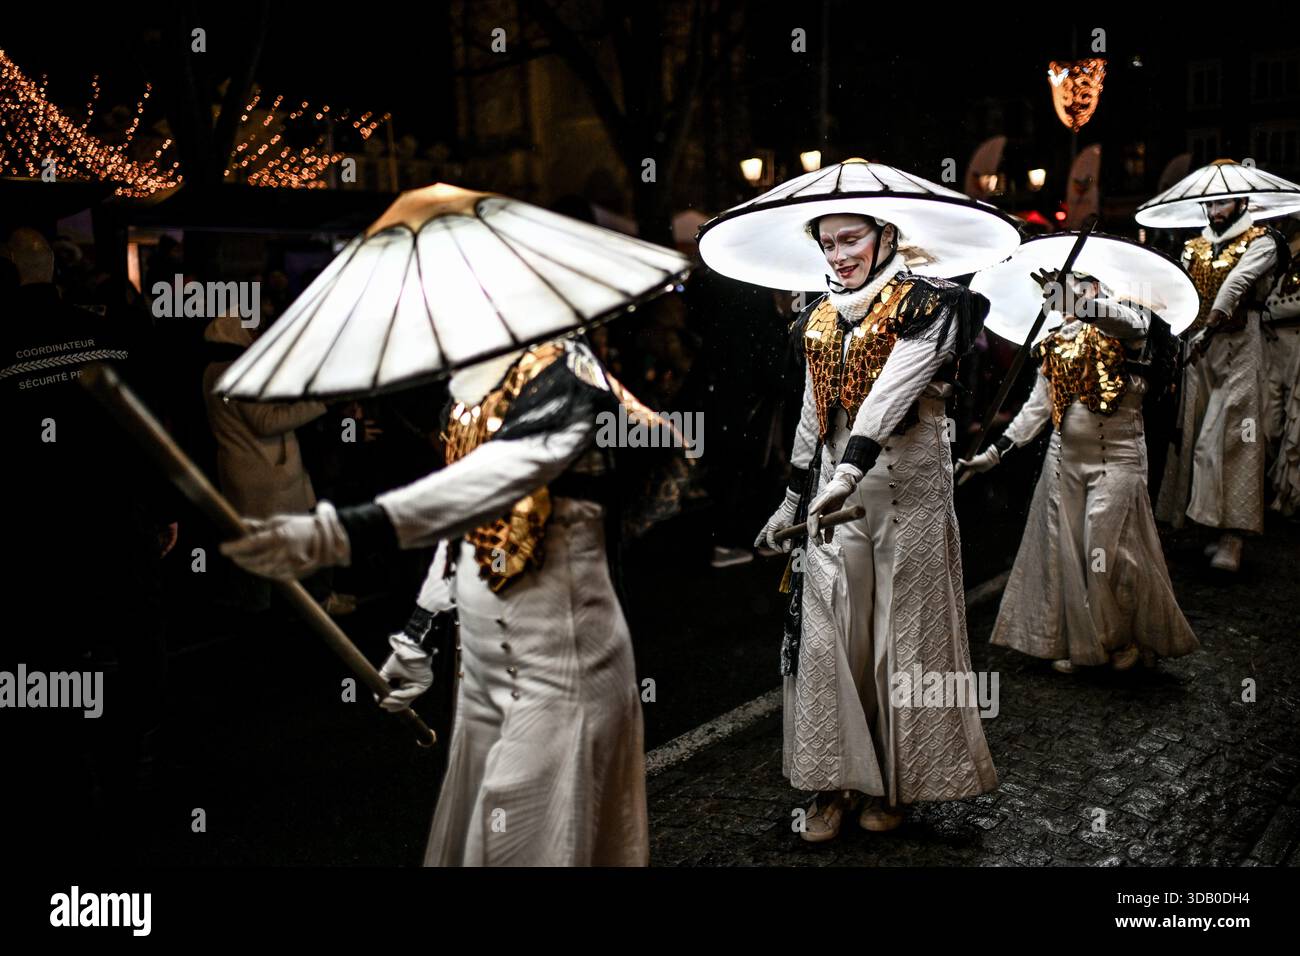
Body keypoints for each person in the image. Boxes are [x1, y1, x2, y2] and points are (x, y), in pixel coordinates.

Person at [221, 337, 654, 866]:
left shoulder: (566, 369)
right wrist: (417, 636)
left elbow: (490, 482)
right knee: (484, 833)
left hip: (559, 660)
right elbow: (466, 525)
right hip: (483, 664)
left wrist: (337, 533)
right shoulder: (467, 388)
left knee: (528, 834)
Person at [754, 208, 998, 840]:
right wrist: (792, 497)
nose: (838, 254)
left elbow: (888, 396)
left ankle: (896, 784)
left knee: (904, 637)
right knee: (831, 634)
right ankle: (833, 783)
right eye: (827, 242)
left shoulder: (934, 304)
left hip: (909, 497)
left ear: (887, 236)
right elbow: (815, 412)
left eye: (851, 239)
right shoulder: (818, 315)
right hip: (834, 504)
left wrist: (844, 476)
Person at [959, 263, 1198, 673]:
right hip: (1062, 462)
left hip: (1118, 457)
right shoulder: (1053, 342)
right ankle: (1088, 644)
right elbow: (1037, 409)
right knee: (1068, 555)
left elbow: (1124, 322)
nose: (1059, 300)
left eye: (1071, 289)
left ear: (1095, 287)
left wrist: (1078, 301)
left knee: (1105, 548)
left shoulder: (1128, 320)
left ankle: (1124, 635)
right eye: (1056, 293)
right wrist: (993, 454)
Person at [1142, 164, 1291, 570]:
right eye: (1208, 202)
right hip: (1199, 352)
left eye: (1221, 200)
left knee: (1230, 437)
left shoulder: (1263, 241)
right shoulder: (1194, 247)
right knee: (1193, 433)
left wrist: (1211, 324)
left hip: (1242, 347)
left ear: (1243, 201)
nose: (1213, 209)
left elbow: (1237, 284)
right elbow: (1178, 293)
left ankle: (1233, 536)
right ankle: (1205, 524)